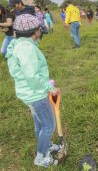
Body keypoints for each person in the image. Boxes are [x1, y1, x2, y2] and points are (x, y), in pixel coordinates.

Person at [5, 14, 60, 167]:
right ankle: (41, 157)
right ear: (35, 31)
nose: (40, 31)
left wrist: (45, 80)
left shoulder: (20, 44)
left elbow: (27, 72)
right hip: (35, 94)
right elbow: (31, 75)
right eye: (39, 29)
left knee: (41, 125)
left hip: (29, 91)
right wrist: (50, 87)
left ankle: (46, 145)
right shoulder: (27, 48)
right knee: (49, 126)